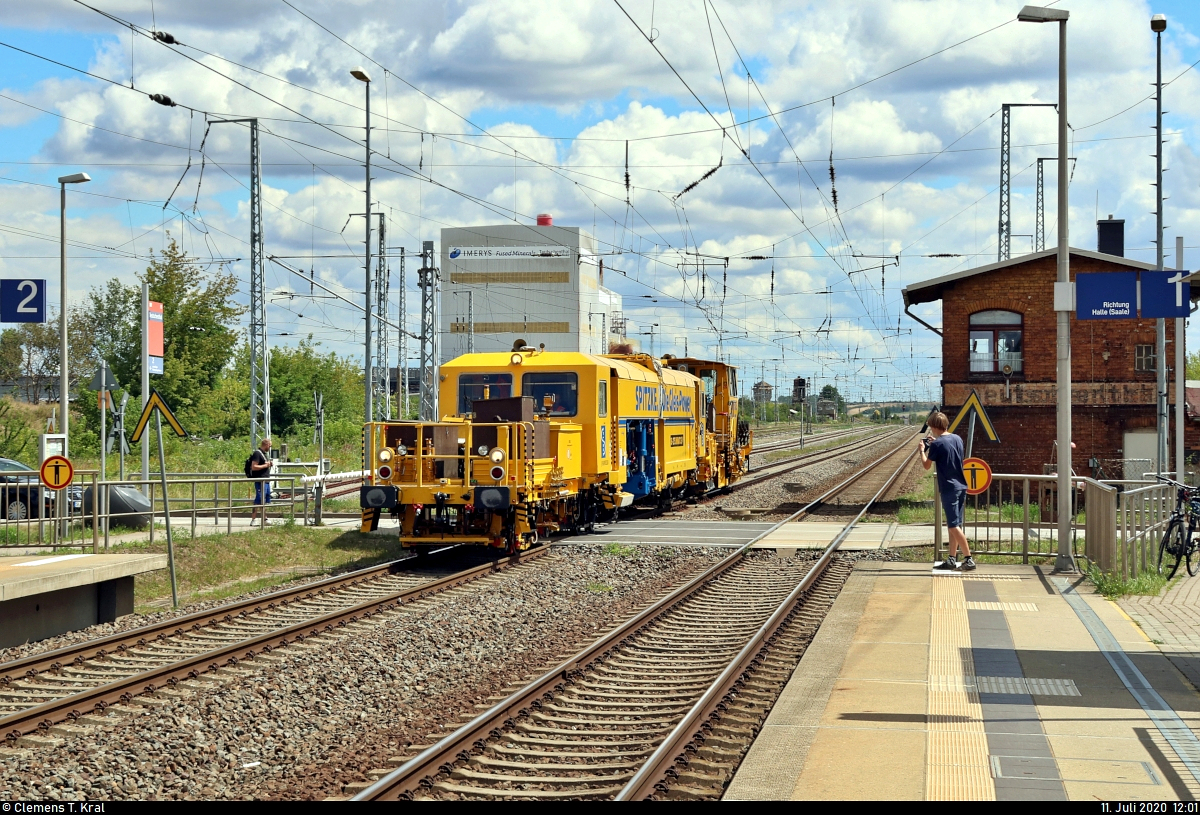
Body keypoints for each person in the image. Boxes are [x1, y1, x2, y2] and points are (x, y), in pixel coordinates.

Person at [919, 413, 976, 571]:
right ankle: (951, 558)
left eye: (931, 426)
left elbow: (926, 465)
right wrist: (935, 443)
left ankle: (969, 559)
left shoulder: (937, 445)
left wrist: (922, 451)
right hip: (961, 486)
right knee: (955, 524)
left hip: (949, 488)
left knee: (952, 526)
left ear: (934, 426)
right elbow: (948, 449)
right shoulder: (957, 438)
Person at [249, 437, 273, 525]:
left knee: (264, 500)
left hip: (266, 480)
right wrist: (266, 465)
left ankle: (265, 518)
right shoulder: (257, 453)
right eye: (269, 446)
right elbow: (254, 467)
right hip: (260, 480)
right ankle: (253, 519)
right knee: (259, 499)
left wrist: (269, 464)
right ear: (266, 444)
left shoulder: (264, 454)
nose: (270, 448)